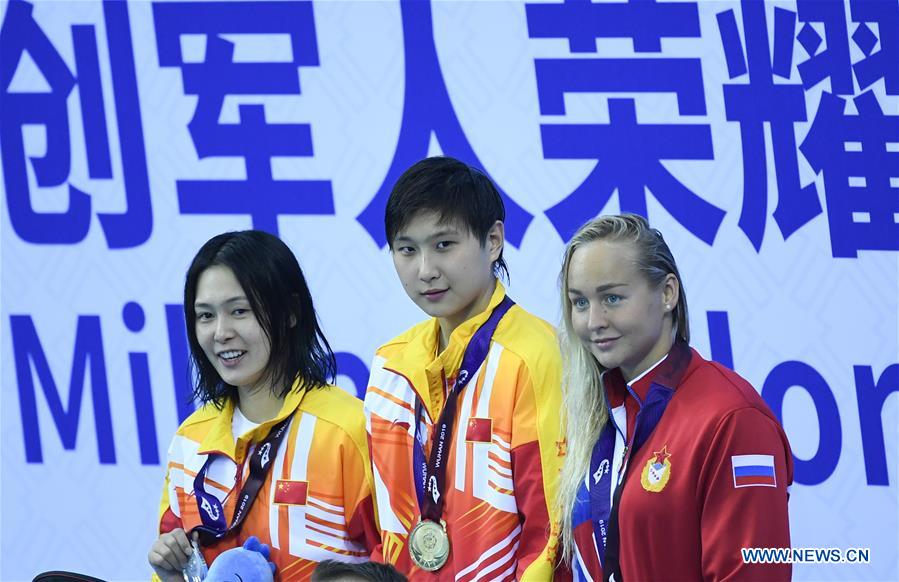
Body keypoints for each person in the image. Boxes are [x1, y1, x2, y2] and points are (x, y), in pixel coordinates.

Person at [556, 214, 793, 581]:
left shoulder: (732, 418)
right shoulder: (597, 411)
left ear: (668, 293)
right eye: (580, 303)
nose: (593, 321)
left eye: (613, 298)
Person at [364, 156, 565, 580]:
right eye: (407, 249)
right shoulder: (389, 367)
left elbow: (550, 530)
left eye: (443, 245)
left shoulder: (535, 355)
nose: (425, 270)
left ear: (493, 241)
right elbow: (386, 527)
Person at [149, 230, 378, 581]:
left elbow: (395, 563)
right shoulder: (190, 441)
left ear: (289, 313)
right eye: (205, 316)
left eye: (239, 311)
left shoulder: (347, 430)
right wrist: (169, 574)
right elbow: (178, 561)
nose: (220, 332)